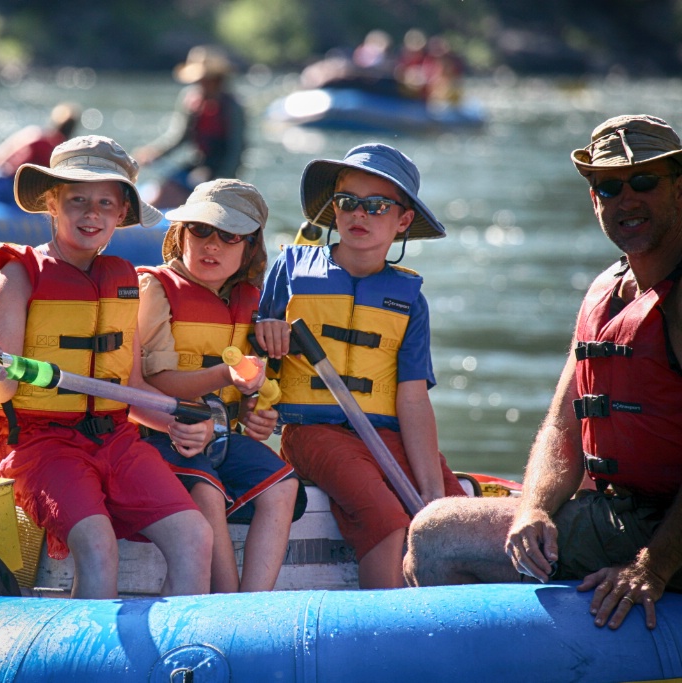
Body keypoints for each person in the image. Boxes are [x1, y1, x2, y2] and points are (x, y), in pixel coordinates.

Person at [404, 114, 682, 631]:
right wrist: (532, 510)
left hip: (662, 531)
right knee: (493, 521)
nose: (627, 199)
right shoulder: (609, 289)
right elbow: (562, 427)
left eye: (644, 180)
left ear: (680, 187)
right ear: (593, 198)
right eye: (609, 186)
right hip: (623, 514)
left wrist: (652, 567)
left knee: (436, 536)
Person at [0, 135, 213, 599]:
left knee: (195, 535)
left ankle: (176, 657)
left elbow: (134, 388)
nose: (92, 214)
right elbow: (1, 390)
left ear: (122, 212)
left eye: (105, 202)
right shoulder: (19, 273)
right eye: (77, 200)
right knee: (98, 545)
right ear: (52, 204)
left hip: (118, 440)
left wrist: (179, 424)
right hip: (42, 444)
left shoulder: (125, 281)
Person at [255, 143, 465, 589]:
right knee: (387, 520)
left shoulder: (411, 301)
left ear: (403, 221)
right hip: (311, 433)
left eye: (376, 206)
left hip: (384, 435)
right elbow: (247, 352)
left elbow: (411, 399)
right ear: (333, 209)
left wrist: (431, 492)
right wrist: (265, 334)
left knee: (451, 514)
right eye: (348, 202)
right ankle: (384, 633)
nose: (359, 215)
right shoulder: (290, 271)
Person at [136, 178, 302, 593]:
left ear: (249, 247)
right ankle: (227, 606)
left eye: (229, 236)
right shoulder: (154, 289)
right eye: (201, 230)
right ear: (180, 234)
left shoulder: (255, 301)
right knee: (208, 494)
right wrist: (225, 375)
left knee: (284, 484)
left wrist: (256, 415)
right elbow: (158, 379)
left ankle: (252, 602)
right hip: (161, 435)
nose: (213, 244)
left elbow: (250, 395)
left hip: (223, 438)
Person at [133, 45, 246, 209]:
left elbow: (236, 151)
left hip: (219, 171)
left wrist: (220, 183)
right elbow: (179, 137)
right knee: (161, 195)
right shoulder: (192, 100)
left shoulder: (232, 107)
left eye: (204, 80)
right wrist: (153, 152)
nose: (199, 84)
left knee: (178, 192)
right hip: (197, 165)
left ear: (216, 79)